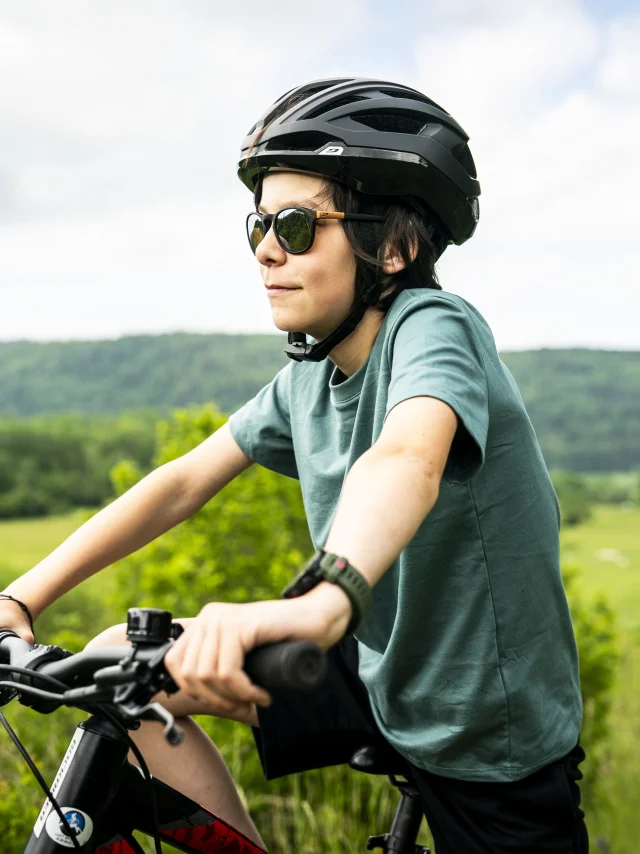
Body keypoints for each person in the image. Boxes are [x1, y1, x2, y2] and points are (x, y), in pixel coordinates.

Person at [0, 77, 588, 853]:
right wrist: (21, 599)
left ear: (397, 243)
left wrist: (321, 602)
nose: (267, 249)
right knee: (119, 665)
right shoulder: (309, 376)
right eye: (259, 226)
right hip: (375, 670)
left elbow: (406, 455)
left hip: (487, 734)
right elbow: (183, 482)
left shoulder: (434, 329)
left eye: (298, 224)